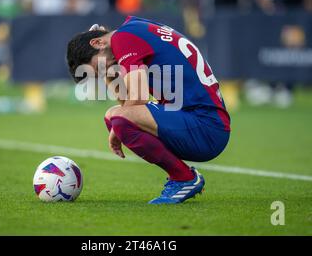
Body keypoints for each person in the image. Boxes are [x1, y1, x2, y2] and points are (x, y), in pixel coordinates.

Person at [66, 16, 230, 204]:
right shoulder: (132, 28)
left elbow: (138, 98)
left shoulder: (123, 38)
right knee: (115, 117)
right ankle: (183, 177)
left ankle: (184, 178)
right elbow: (126, 101)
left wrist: (117, 129)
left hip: (205, 127)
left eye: (99, 67)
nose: (104, 71)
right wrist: (108, 73)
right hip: (200, 121)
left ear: (97, 42)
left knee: (118, 119)